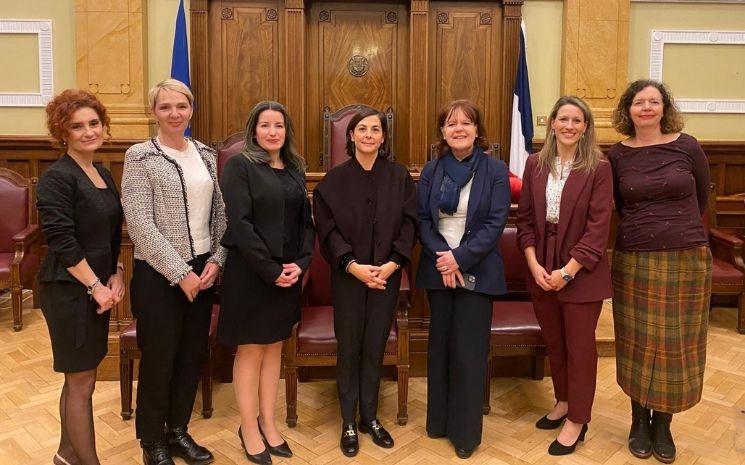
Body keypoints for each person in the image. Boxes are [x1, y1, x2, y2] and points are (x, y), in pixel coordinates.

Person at [121, 79, 226, 465]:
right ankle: (152, 441)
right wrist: (180, 273)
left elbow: (220, 214)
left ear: (191, 109)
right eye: (165, 107)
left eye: (181, 106)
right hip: (160, 274)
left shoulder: (206, 154)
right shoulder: (139, 156)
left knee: (190, 356)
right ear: (154, 112)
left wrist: (217, 260)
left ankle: (178, 431)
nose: (174, 113)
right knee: (160, 358)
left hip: (204, 271)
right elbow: (140, 226)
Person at [609, 79, 712, 464]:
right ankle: (638, 419)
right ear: (628, 110)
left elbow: (702, 196)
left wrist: (673, 225)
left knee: (675, 344)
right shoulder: (617, 155)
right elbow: (618, 204)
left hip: (686, 258)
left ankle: (663, 424)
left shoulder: (688, 146)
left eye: (654, 102)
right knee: (637, 341)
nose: (647, 108)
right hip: (635, 258)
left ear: (665, 108)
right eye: (640, 102)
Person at [313, 107, 417, 457]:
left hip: (387, 277)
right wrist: (352, 265)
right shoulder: (333, 181)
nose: (369, 134)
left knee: (374, 348)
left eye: (376, 129)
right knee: (349, 349)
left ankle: (369, 418)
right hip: (348, 278)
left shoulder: (399, 177)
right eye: (362, 129)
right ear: (352, 136)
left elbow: (409, 224)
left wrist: (391, 265)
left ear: (383, 137)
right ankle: (347, 421)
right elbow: (327, 230)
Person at [218, 101, 315, 465]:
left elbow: (306, 223)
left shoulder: (294, 169)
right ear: (253, 130)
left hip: (288, 274)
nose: (272, 131)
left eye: (279, 125)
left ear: (286, 131)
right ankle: (248, 427)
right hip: (252, 275)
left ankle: (269, 424)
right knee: (251, 350)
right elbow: (240, 225)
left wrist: (300, 266)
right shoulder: (240, 166)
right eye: (265, 125)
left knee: (274, 348)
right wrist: (271, 270)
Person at [516, 96, 613, 456]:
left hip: (581, 272)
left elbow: (598, 230)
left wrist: (567, 273)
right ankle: (563, 401)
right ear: (552, 123)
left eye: (577, 120)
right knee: (555, 343)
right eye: (563, 119)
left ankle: (578, 419)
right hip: (541, 266)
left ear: (586, 127)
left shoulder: (599, 168)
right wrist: (534, 265)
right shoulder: (535, 164)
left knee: (580, 348)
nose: (569, 126)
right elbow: (524, 221)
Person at [416, 99, 510, 459]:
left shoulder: (495, 170)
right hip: (438, 269)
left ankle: (466, 433)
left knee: (469, 352)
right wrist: (444, 259)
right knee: (440, 347)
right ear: (442, 132)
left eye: (465, 123)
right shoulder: (432, 169)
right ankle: (439, 422)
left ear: (477, 130)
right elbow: (424, 220)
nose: (458, 129)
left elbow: (495, 222)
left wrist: (459, 258)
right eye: (451, 124)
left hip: (478, 269)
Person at [37, 89, 124, 465]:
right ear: (63, 133)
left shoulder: (101, 172)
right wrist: (94, 286)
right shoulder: (57, 178)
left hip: (98, 288)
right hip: (69, 291)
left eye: (93, 123)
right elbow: (63, 242)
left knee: (78, 378)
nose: (88, 131)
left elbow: (111, 233)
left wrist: (117, 273)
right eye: (77, 126)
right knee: (82, 381)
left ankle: (66, 456)